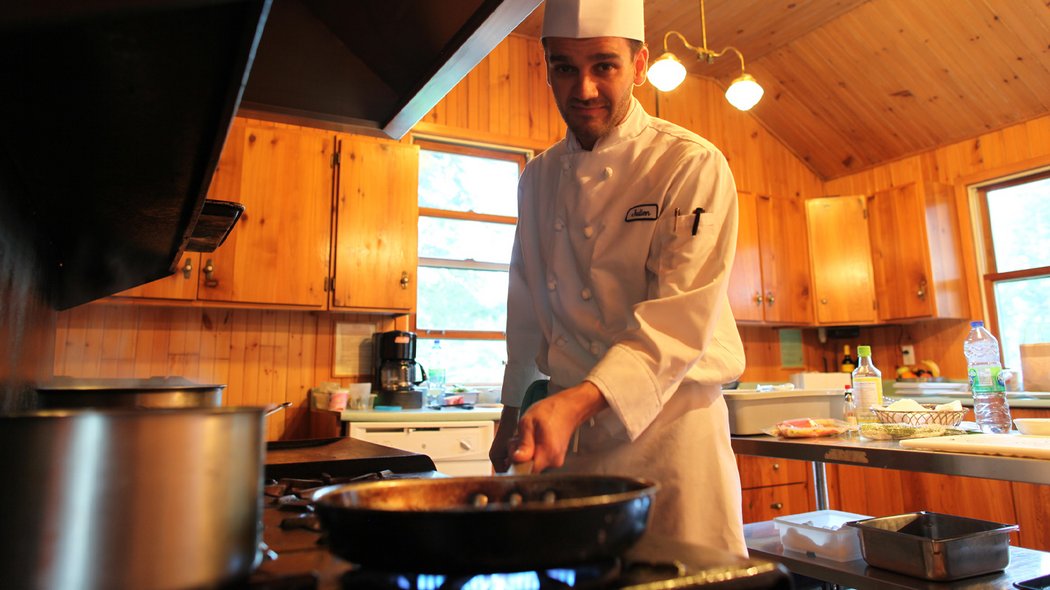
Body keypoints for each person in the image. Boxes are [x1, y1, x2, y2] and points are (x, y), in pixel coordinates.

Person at [488, 0, 747, 556]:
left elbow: (679, 320)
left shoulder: (689, 164)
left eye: (604, 65)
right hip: (570, 440)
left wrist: (574, 403)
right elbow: (527, 304)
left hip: (672, 436)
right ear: (547, 65)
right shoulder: (536, 179)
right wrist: (512, 413)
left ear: (640, 64)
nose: (583, 89)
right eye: (565, 68)